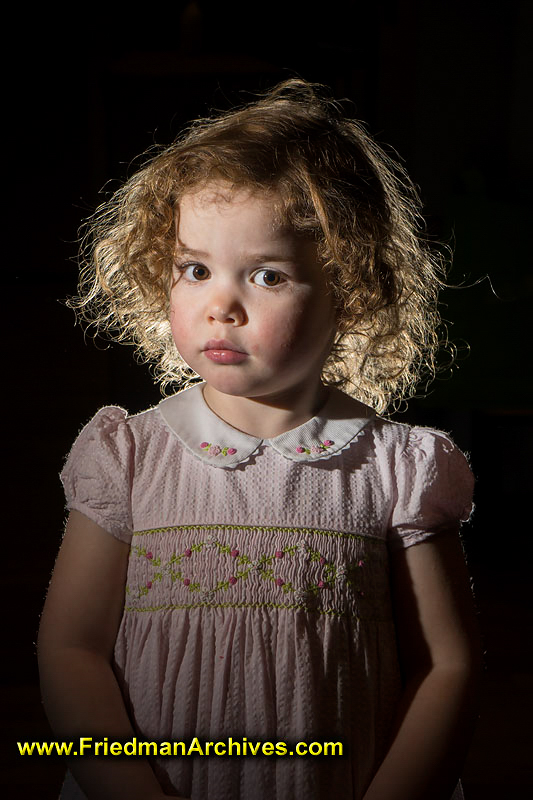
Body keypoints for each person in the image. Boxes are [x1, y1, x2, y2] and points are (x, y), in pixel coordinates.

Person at [38, 79, 481, 800]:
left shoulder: (398, 469)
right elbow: (72, 649)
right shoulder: (128, 456)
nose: (220, 305)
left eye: (266, 274)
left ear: (351, 288)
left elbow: (447, 666)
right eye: (195, 269)